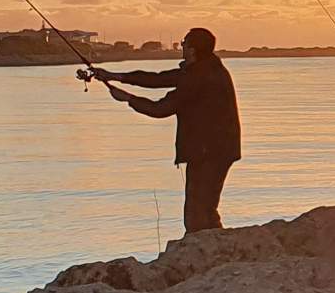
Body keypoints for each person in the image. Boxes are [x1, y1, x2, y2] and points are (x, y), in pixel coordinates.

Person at [91, 27, 242, 234]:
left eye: (184, 44)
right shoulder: (207, 68)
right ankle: (217, 248)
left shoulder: (198, 77)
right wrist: (114, 76)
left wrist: (127, 99)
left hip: (209, 151)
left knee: (196, 212)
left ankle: (203, 253)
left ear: (191, 49)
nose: (181, 47)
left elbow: (161, 109)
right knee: (206, 206)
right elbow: (158, 79)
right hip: (218, 149)